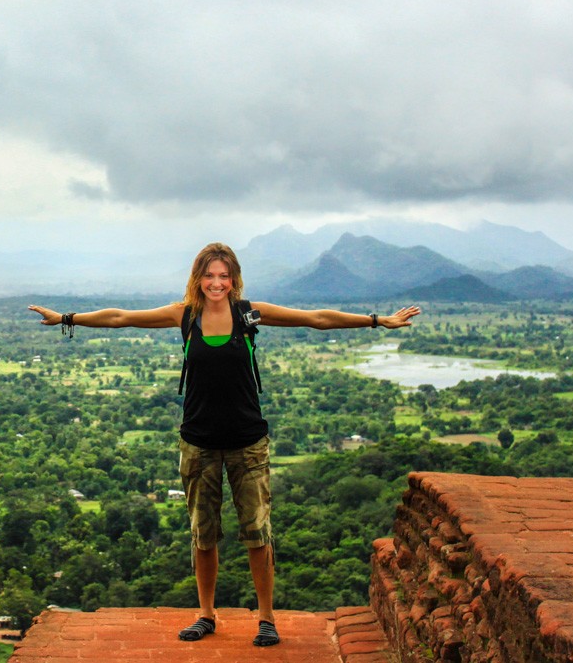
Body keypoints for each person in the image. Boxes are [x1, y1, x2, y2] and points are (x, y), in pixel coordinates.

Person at [28, 242, 420, 647]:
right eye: (209, 275)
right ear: (198, 278)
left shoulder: (249, 313)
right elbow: (121, 317)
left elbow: (316, 318)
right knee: (204, 534)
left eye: (223, 275)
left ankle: (266, 618)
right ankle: (206, 614)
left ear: (234, 279)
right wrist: (66, 318)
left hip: (248, 442)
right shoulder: (184, 315)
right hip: (198, 442)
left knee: (257, 533)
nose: (216, 283)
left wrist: (378, 321)